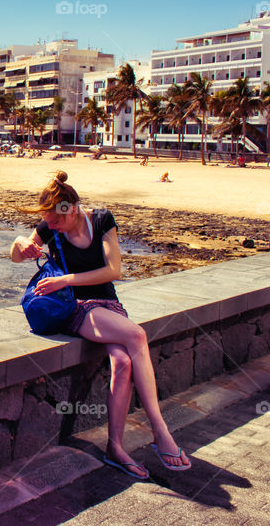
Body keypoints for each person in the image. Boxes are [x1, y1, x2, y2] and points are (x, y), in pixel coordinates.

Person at [10, 172, 190, 479]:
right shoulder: (49, 227)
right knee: (137, 335)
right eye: (47, 222)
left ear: (73, 208)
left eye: (56, 220)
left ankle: (115, 449)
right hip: (76, 308)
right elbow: (16, 257)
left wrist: (64, 279)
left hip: (108, 306)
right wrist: (20, 242)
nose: (50, 227)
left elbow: (113, 270)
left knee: (122, 361)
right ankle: (160, 431)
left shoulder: (102, 220)